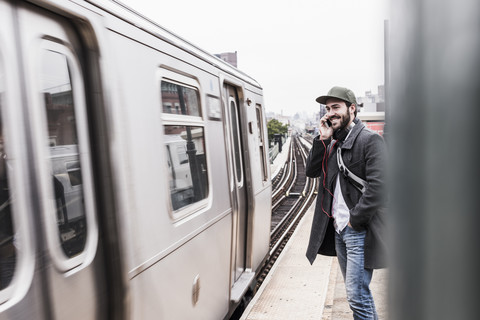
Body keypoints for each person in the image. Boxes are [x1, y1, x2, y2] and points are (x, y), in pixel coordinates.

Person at [305, 86, 386, 320]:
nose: (331, 113)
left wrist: (355, 220)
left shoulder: (369, 140)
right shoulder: (331, 142)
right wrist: (321, 140)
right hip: (339, 229)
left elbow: (379, 187)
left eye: (336, 107)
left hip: (357, 230)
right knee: (360, 295)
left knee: (356, 295)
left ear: (352, 108)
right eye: (328, 108)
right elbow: (311, 171)